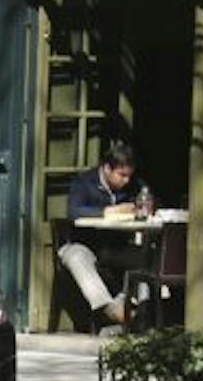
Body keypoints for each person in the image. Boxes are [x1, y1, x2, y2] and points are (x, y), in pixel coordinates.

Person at [56, 140, 148, 329]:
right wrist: (109, 211)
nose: (126, 181)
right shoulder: (84, 183)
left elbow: (148, 203)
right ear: (107, 169)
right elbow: (74, 212)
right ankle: (108, 308)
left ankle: (136, 311)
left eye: (129, 176)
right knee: (75, 257)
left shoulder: (133, 186)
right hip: (84, 243)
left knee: (147, 257)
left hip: (116, 246)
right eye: (121, 175)